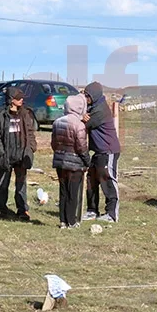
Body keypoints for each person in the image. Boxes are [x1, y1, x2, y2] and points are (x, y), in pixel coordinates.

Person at [0, 87, 37, 221]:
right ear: (11, 100)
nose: (21, 100)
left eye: (22, 97)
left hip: (22, 156)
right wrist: (1, 152)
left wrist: (31, 148)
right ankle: (0, 209)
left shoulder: (26, 115)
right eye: (18, 98)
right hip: (5, 156)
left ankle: (22, 210)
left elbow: (31, 133)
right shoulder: (0, 117)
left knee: (21, 185)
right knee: (3, 184)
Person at [81, 81, 121, 223]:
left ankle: (112, 213)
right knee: (91, 180)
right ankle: (92, 210)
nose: (86, 98)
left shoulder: (100, 110)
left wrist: (82, 117)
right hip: (98, 151)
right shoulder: (93, 107)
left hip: (108, 150)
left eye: (87, 96)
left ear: (94, 95)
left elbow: (85, 124)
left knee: (107, 180)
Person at [51, 93, 91, 229]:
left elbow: (53, 144)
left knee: (63, 191)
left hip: (60, 161)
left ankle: (62, 221)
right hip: (75, 163)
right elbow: (81, 147)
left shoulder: (57, 122)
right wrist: (87, 161)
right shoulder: (79, 125)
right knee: (73, 193)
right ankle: (72, 221)